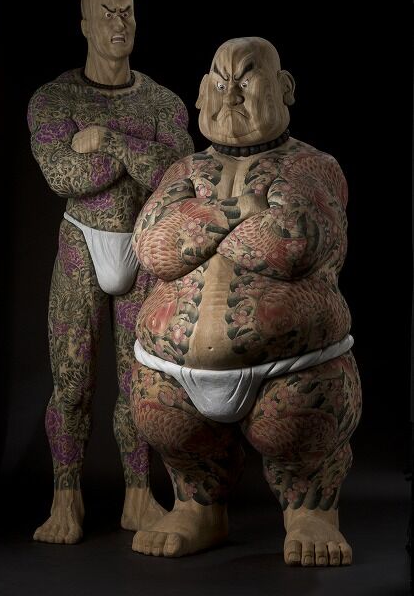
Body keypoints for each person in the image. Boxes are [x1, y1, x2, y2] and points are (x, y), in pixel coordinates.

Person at [129, 37, 362, 565]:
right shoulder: (183, 169)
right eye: (219, 79)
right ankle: (197, 508)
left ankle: (311, 512)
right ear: (201, 92)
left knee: (300, 430)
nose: (230, 92)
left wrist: (198, 225)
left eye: (247, 78)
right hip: (173, 372)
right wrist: (241, 212)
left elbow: (292, 243)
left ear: (284, 87)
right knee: (174, 430)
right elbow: (153, 248)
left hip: (294, 367)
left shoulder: (312, 165)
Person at [27, 0, 194, 544]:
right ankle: (65, 497)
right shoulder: (54, 100)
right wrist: (138, 155)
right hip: (83, 240)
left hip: (142, 245)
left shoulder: (162, 102)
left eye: (128, 12)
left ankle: (139, 496)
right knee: (71, 380)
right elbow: (64, 176)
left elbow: (178, 178)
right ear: (85, 26)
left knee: (139, 379)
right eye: (107, 13)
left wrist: (109, 141)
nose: (120, 23)